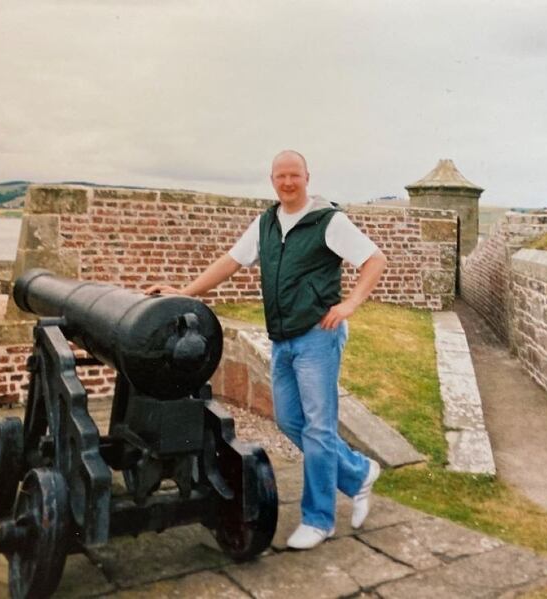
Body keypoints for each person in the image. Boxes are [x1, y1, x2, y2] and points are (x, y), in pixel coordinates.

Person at [145, 150, 387, 549]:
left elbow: (374, 260)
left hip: (317, 337)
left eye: (295, 175)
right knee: (291, 421)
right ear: (272, 180)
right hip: (283, 339)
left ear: (307, 177)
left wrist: (350, 305)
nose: (288, 182)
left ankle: (319, 520)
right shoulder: (266, 224)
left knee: (319, 428)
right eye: (281, 176)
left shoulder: (328, 221)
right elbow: (230, 262)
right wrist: (184, 292)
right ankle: (358, 474)